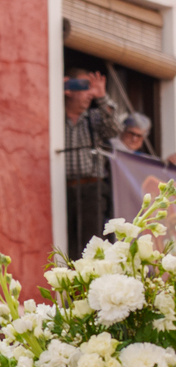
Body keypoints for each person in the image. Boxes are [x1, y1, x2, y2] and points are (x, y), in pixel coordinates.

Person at [65, 62, 122, 251]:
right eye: (83, 87)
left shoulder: (94, 117)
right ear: (68, 88)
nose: (90, 93)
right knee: (68, 243)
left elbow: (115, 128)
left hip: (91, 190)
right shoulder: (53, 116)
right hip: (62, 190)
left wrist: (103, 97)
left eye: (92, 89)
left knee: (91, 244)